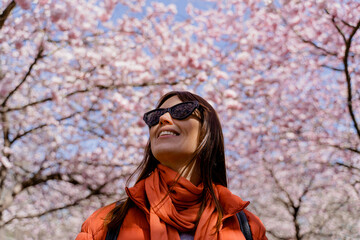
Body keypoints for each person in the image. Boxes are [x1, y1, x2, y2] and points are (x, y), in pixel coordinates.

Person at [75, 91, 267, 240]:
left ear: (208, 131)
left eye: (181, 111)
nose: (163, 119)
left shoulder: (247, 227)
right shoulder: (104, 224)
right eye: (155, 116)